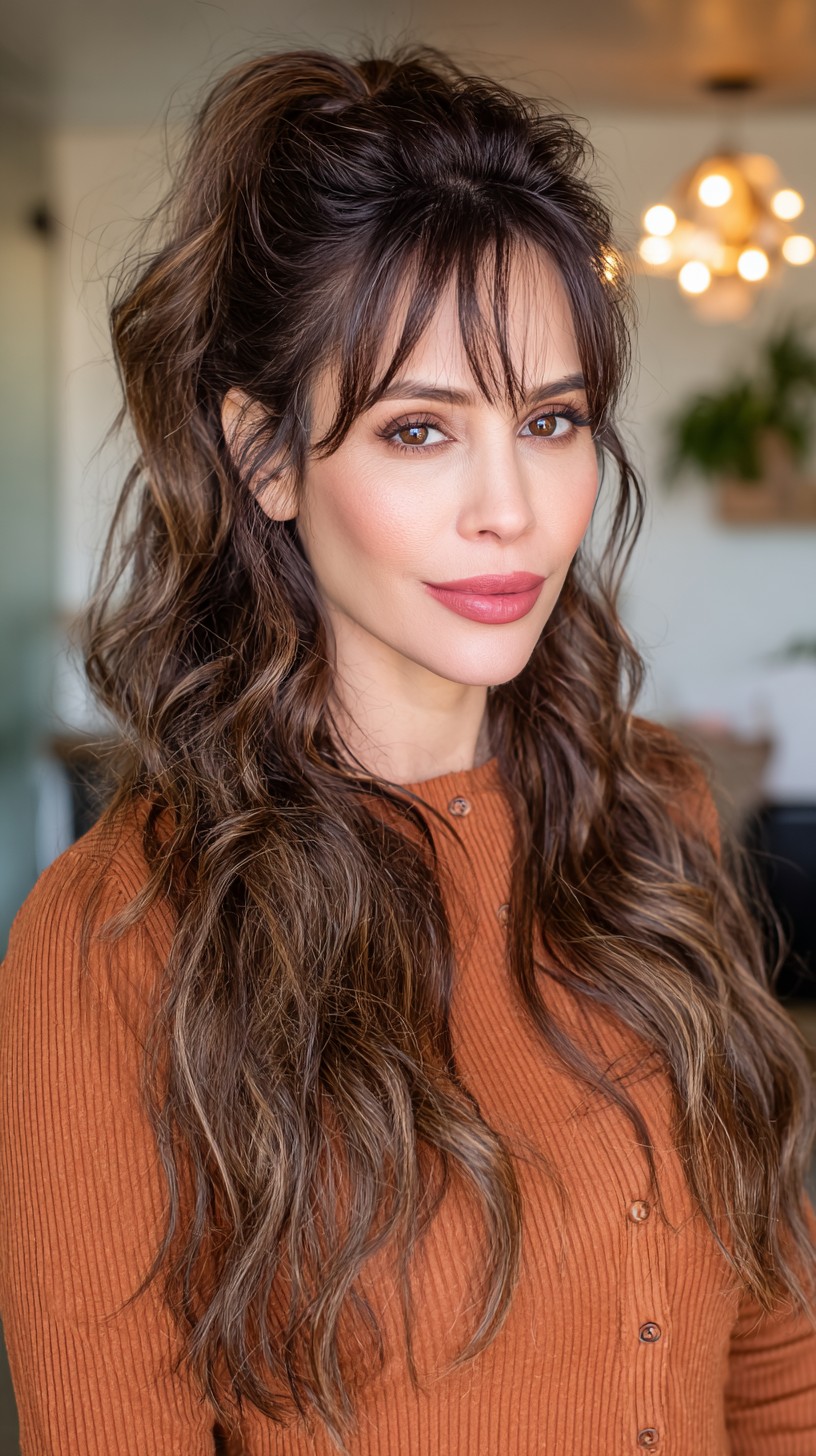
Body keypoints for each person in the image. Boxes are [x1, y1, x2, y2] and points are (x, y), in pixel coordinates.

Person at [1, 44, 814, 1456]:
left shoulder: (653, 816)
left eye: (551, 420)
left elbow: (777, 1345)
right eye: (420, 429)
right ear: (265, 458)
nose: (512, 508)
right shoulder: (116, 940)